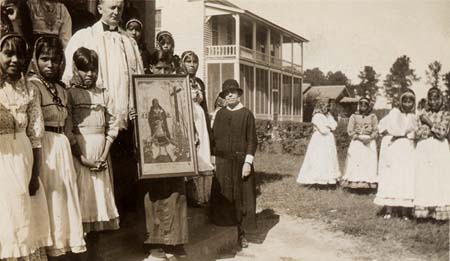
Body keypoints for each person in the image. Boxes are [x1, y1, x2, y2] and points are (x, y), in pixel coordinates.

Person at [63, 0, 144, 217]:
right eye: (112, 8)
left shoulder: (129, 42)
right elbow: (70, 77)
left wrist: (135, 106)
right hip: (92, 122)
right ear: (99, 8)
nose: (116, 12)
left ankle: (119, 222)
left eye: (120, 8)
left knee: (122, 174)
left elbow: (138, 78)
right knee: (91, 178)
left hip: (123, 119)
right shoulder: (84, 36)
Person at [27, 35, 86, 258]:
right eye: (44, 59)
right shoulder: (33, 87)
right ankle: (50, 248)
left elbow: (68, 122)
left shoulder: (61, 89)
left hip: (61, 147)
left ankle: (63, 246)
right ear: (36, 60)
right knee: (50, 196)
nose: (49, 65)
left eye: (54, 59)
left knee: (64, 196)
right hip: (46, 146)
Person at [0, 33, 52, 261]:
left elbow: (35, 136)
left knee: (21, 214)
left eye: (20, 55)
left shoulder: (30, 89)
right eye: (8, 53)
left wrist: (35, 174)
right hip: (2, 159)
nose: (14, 60)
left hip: (23, 159)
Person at [66, 47, 120, 260]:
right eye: (84, 69)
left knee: (98, 206)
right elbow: (68, 126)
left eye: (93, 70)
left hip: (100, 155)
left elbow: (112, 125)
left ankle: (95, 256)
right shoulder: (70, 94)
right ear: (76, 69)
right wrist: (83, 158)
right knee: (81, 205)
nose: (90, 74)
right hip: (81, 155)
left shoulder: (104, 94)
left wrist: (104, 153)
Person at [143, 52, 188, 259]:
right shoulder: (141, 88)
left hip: (167, 133)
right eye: (158, 68)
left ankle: (174, 241)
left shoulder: (176, 87)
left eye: (167, 69)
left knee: (175, 194)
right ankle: (155, 241)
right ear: (150, 68)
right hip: (153, 139)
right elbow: (149, 118)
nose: (162, 72)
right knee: (154, 194)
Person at [210, 79, 258, 249]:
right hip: (222, 163)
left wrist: (247, 163)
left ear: (239, 94)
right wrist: (213, 159)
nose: (229, 95)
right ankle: (227, 234)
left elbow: (252, 141)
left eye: (233, 92)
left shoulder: (246, 114)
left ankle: (242, 233)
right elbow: (213, 139)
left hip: (240, 163)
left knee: (241, 200)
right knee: (225, 198)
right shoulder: (219, 114)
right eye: (226, 93)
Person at [374, 89, 417, 220]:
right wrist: (400, 132)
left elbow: (416, 132)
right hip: (395, 148)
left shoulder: (415, 116)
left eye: (410, 101)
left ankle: (405, 211)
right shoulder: (394, 113)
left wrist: (406, 133)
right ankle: (389, 209)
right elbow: (386, 127)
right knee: (392, 177)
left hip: (409, 148)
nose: (407, 104)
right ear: (400, 102)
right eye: (405, 100)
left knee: (406, 177)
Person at [181, 50, 214, 207]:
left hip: (199, 118)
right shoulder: (179, 80)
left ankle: (202, 196)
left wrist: (207, 127)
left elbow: (205, 106)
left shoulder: (199, 82)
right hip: (187, 118)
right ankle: (189, 195)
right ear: (182, 63)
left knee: (202, 153)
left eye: (194, 62)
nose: (192, 65)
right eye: (188, 61)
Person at [414, 87, 450, 220]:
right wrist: (433, 129)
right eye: (431, 98)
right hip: (424, 148)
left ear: (441, 99)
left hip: (439, 148)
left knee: (439, 178)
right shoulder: (422, 113)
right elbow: (418, 133)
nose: (433, 101)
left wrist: (428, 123)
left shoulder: (445, 114)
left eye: (436, 98)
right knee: (425, 177)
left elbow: (442, 133)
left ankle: (439, 212)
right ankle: (424, 211)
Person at [296, 99, 340, 186]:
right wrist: (329, 126)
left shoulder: (328, 115)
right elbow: (323, 130)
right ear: (321, 105)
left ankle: (328, 179)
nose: (327, 108)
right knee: (318, 158)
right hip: (319, 140)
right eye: (326, 106)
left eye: (328, 106)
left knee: (329, 158)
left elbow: (334, 125)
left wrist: (329, 126)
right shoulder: (317, 116)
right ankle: (317, 180)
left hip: (329, 140)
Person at [341, 97, 378, 190]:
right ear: (359, 105)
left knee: (368, 162)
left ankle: (368, 183)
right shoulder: (353, 116)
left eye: (365, 104)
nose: (363, 106)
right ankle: (355, 182)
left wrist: (370, 138)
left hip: (369, 141)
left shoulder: (373, 116)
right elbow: (350, 130)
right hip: (357, 141)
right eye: (361, 104)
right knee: (356, 161)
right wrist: (357, 137)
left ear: (368, 106)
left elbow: (375, 130)